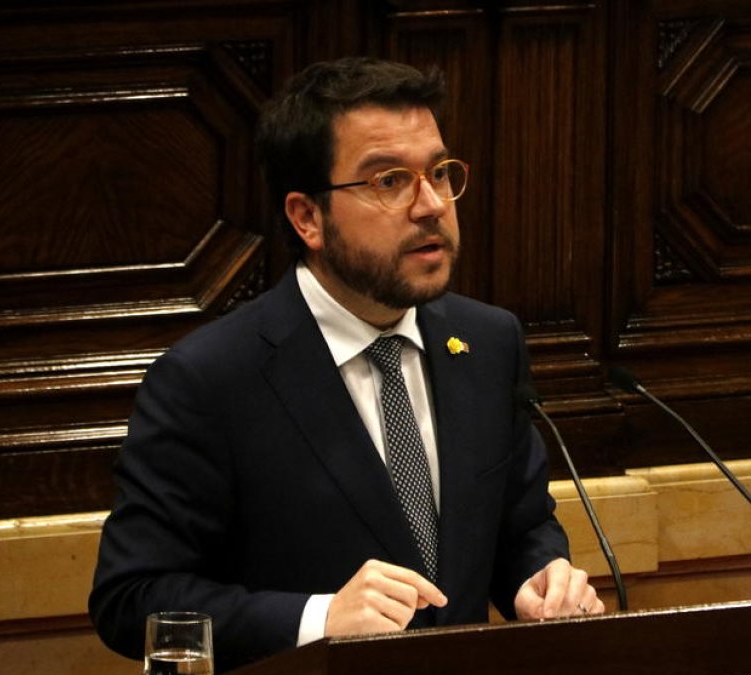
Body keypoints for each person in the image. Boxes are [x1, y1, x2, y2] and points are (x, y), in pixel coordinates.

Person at [89, 57, 603, 672]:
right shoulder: (210, 379)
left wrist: (538, 576)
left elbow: (520, 526)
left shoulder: (487, 342)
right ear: (307, 217)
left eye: (438, 172)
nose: (431, 204)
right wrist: (319, 618)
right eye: (389, 181)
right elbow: (132, 598)